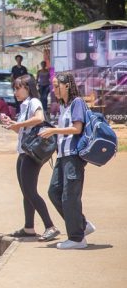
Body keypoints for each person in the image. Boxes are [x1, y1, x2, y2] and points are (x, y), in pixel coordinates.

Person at [39, 72, 96, 249]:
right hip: (62, 156)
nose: (54, 90)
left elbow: (77, 129)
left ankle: (77, 238)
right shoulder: (64, 105)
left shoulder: (77, 102)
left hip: (73, 156)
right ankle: (82, 225)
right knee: (54, 192)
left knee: (69, 196)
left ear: (67, 86)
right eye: (53, 86)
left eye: (57, 86)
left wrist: (54, 131)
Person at [1, 75, 60, 241]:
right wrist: (11, 123)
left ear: (28, 87)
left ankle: (50, 226)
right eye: (14, 88)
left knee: (30, 191)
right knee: (26, 192)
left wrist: (17, 124)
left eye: (18, 88)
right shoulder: (24, 105)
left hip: (31, 154)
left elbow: (40, 119)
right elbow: (21, 131)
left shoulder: (34, 102)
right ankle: (28, 227)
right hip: (23, 152)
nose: (15, 92)